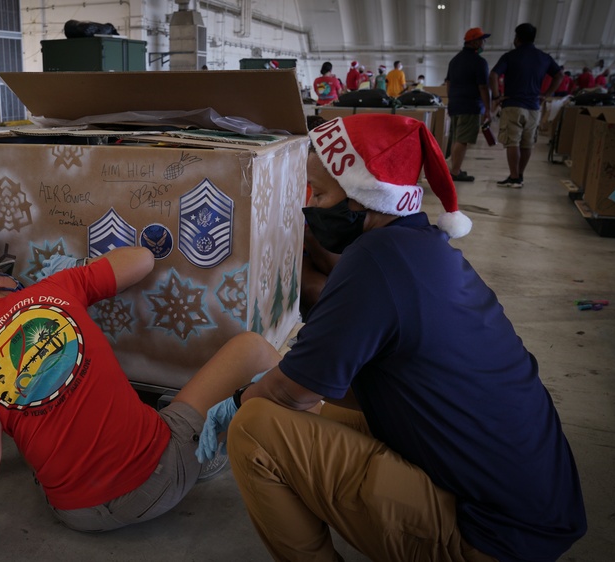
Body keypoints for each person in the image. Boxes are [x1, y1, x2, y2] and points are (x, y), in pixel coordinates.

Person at [200, 113, 588, 562]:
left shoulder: (373, 263)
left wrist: (241, 399)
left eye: (322, 193)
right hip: (536, 514)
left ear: (365, 198)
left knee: (256, 429)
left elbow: (290, 393)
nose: (311, 205)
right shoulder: (421, 247)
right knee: (323, 410)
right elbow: (347, 384)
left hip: (489, 538)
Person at [0, 247, 282, 540]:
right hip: (158, 477)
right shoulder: (55, 288)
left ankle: (193, 450)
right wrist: (78, 268)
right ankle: (274, 444)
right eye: (4, 276)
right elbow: (143, 259)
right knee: (253, 348)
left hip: (77, 514)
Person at [489, 23, 562, 188]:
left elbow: (493, 74)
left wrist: (497, 96)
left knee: (512, 141)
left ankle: (513, 177)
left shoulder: (510, 56)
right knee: (527, 143)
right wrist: (546, 94)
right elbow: (559, 75)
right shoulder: (544, 57)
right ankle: (520, 175)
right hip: (534, 107)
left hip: (513, 105)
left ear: (517, 38)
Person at [445, 27, 491, 183]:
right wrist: (488, 109)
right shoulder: (479, 62)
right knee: (462, 139)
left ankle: (454, 169)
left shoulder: (455, 60)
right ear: (475, 42)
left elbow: (448, 83)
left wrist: (451, 100)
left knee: (457, 138)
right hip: (470, 105)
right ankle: (455, 172)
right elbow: (483, 87)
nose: (484, 43)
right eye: (483, 40)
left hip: (455, 105)